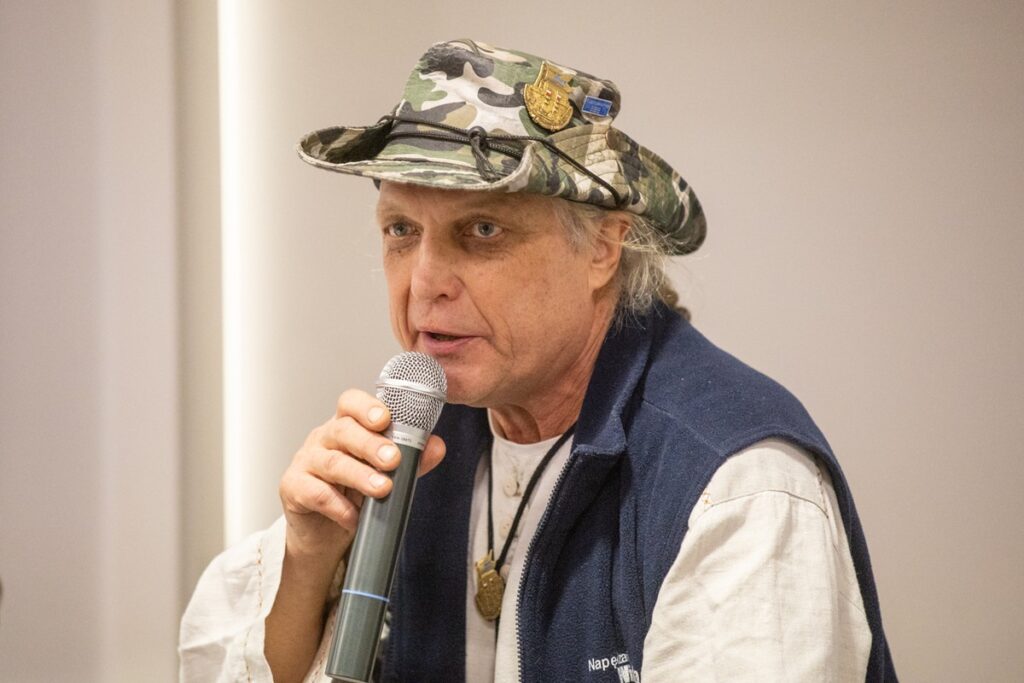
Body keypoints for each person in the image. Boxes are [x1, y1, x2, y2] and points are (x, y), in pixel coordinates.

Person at [180, 39, 896, 682]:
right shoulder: (414, 432)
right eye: (401, 229)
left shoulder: (736, 482)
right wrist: (310, 557)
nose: (425, 280)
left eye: (481, 229)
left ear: (601, 249)